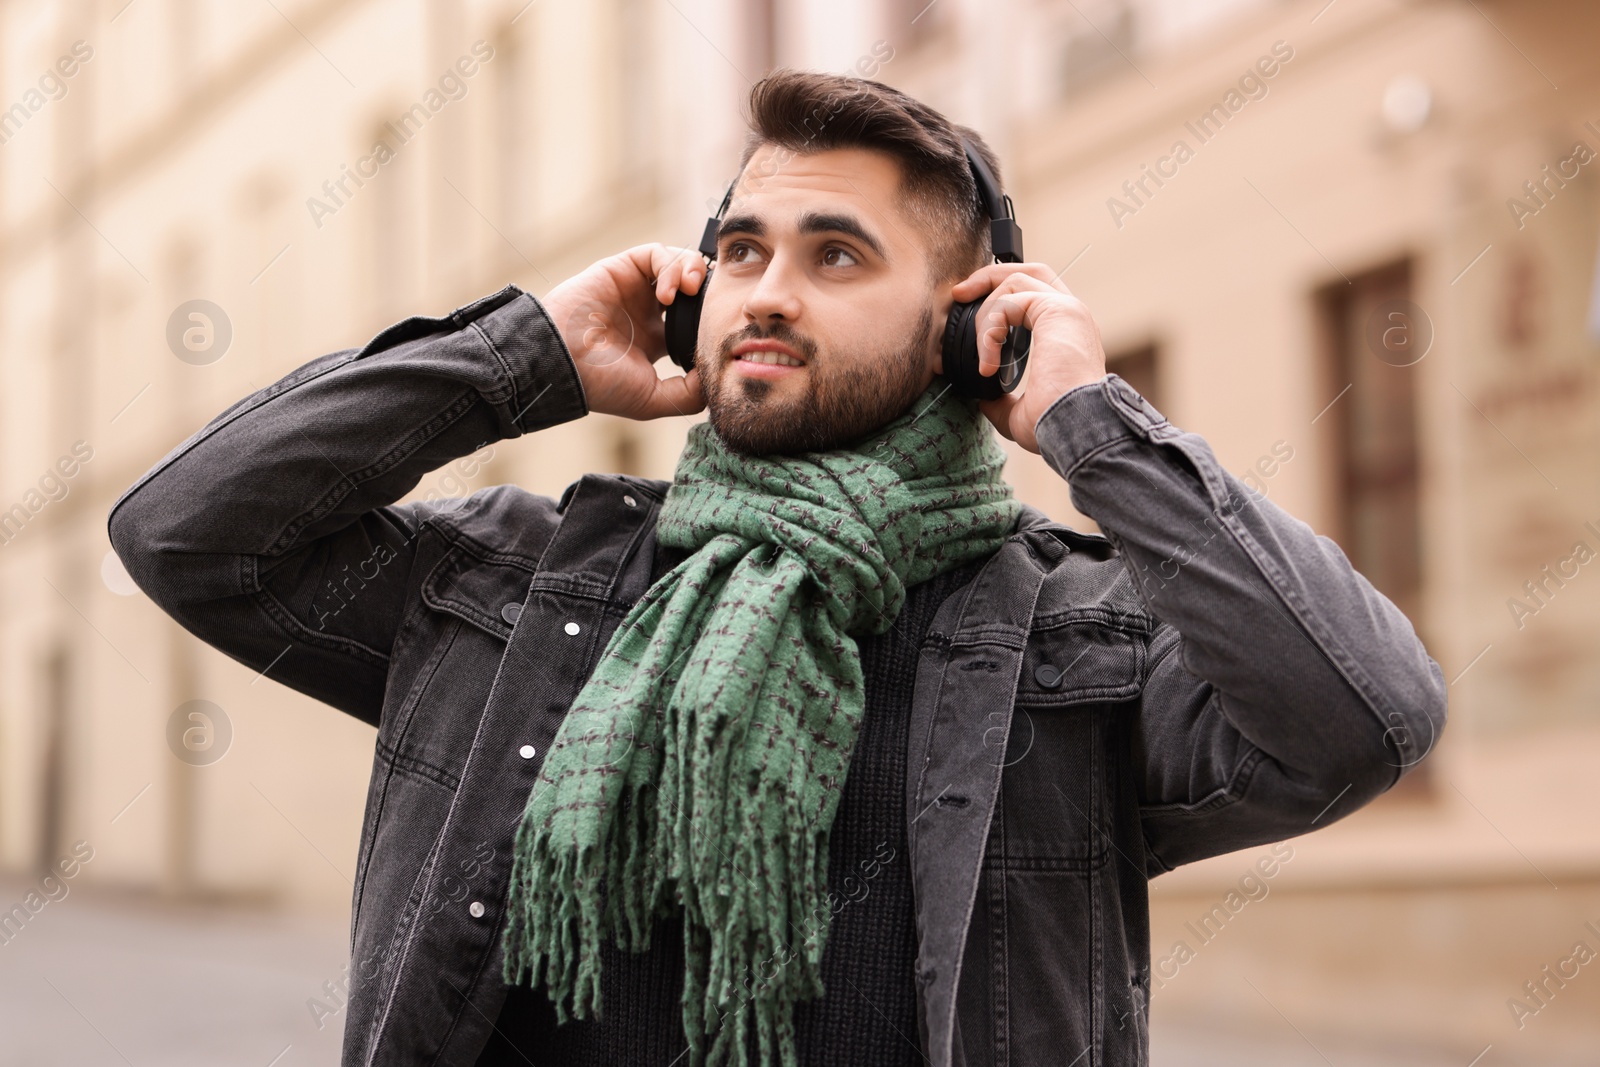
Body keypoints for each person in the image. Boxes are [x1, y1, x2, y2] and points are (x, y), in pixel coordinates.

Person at [107, 69, 1446, 1067]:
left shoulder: (1067, 635)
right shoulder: (516, 587)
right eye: (742, 249)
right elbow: (191, 534)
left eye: (836, 255)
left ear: (971, 329)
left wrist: (1093, 424)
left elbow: (1361, 717)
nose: (766, 291)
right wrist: (525, 354)